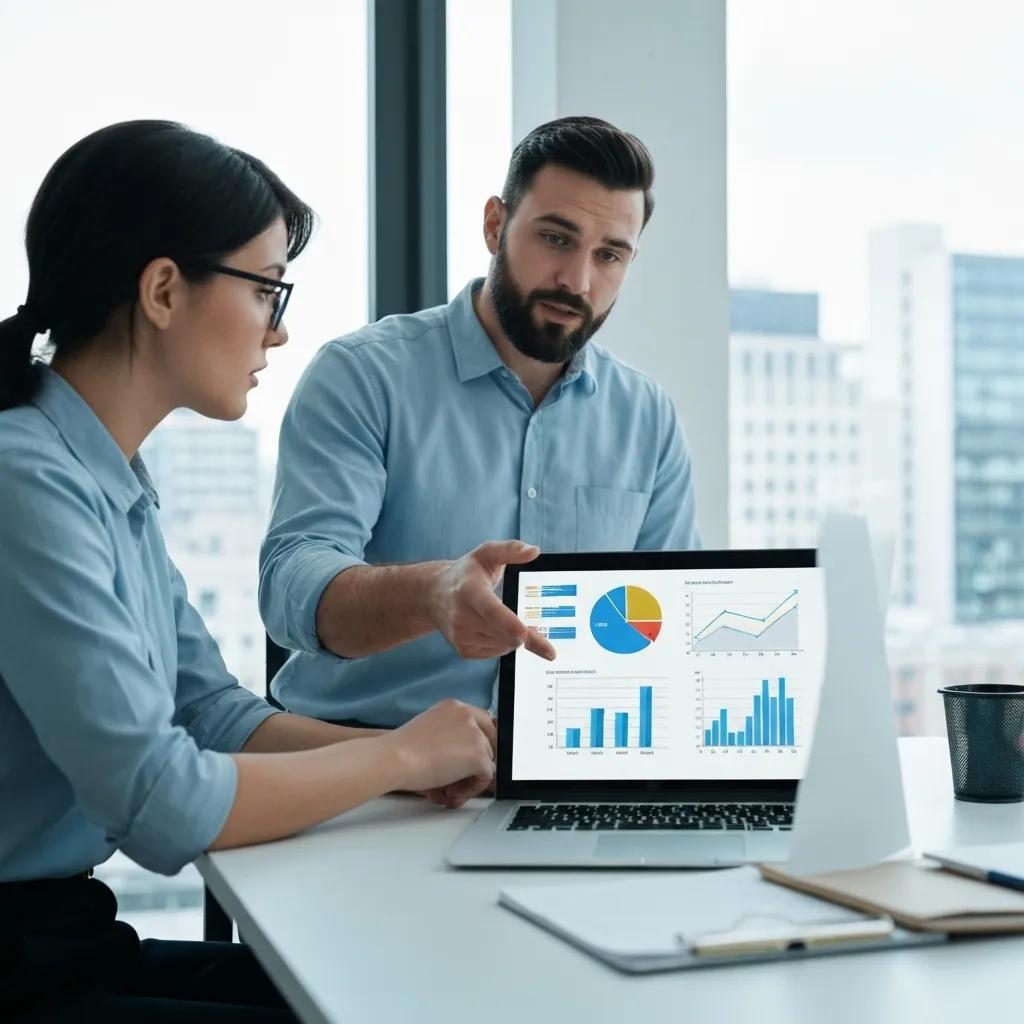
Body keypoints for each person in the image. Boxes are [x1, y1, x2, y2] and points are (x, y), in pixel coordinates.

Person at [0, 120, 496, 1022]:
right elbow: (161, 804)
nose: (280, 327)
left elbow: (210, 713)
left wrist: (413, 765)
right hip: (17, 957)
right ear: (162, 290)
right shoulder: (25, 481)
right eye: (267, 288)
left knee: (387, 990)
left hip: (64, 932)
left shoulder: (107, 477)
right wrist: (393, 752)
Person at [260, 115, 701, 730]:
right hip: (367, 774)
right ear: (496, 225)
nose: (577, 280)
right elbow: (293, 586)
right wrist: (431, 595)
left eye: (609, 255)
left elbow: (670, 630)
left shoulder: (646, 419)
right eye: (555, 239)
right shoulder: (363, 375)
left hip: (566, 782)